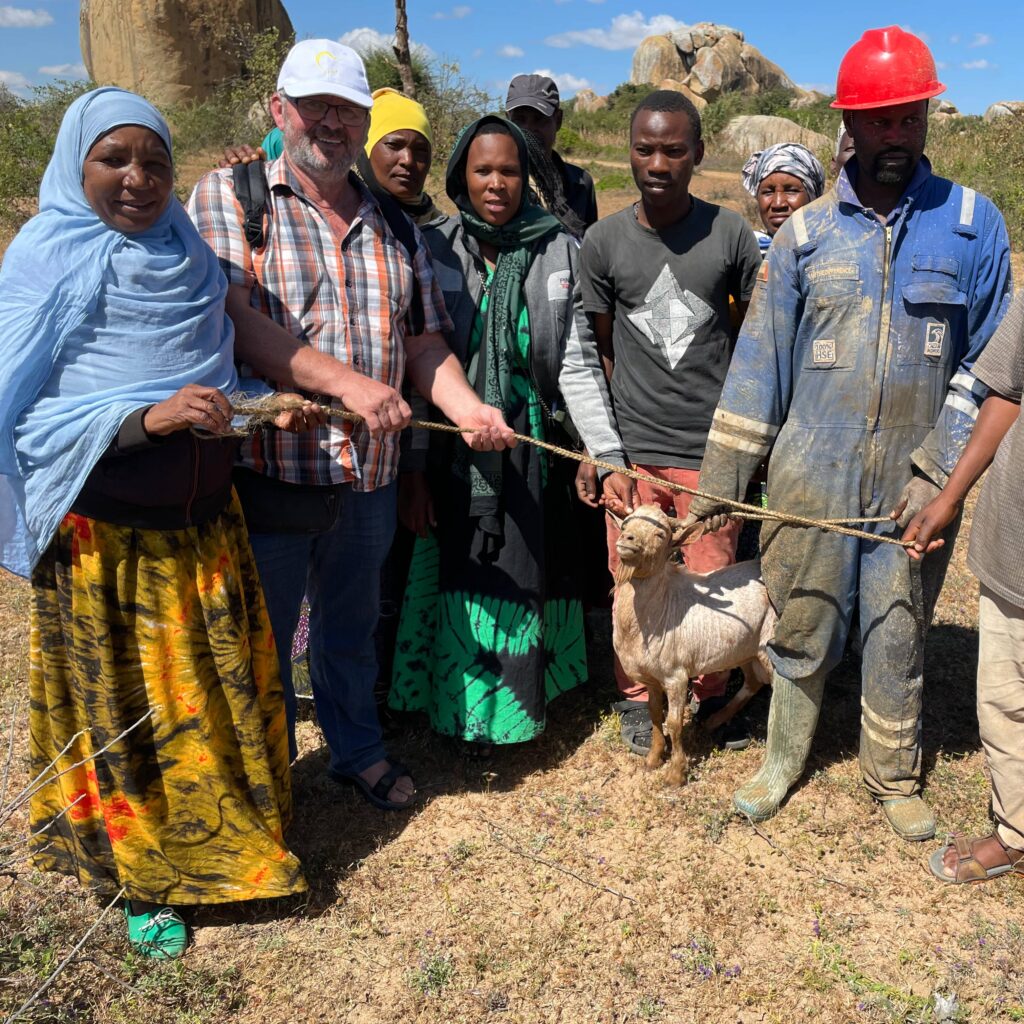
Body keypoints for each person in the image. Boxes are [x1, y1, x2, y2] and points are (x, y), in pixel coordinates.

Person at [0, 88, 318, 958]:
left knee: (210, 706)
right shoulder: (45, 261)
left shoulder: (187, 257)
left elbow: (206, 393)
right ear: (77, 165)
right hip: (110, 549)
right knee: (131, 718)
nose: (138, 179)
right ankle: (142, 877)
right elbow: (23, 418)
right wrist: (146, 422)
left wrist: (264, 411)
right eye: (116, 159)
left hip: (205, 532)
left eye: (155, 161)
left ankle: (228, 845)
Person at [686, 26, 1012, 841]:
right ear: (849, 125)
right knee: (800, 618)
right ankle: (781, 761)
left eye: (908, 117)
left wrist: (938, 477)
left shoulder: (975, 226)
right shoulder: (804, 235)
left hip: (914, 485)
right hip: (810, 474)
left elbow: (988, 370)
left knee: (898, 625)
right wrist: (722, 483)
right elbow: (758, 366)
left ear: (927, 116)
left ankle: (893, 776)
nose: (894, 134)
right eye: (878, 121)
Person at [188, 39, 514, 811]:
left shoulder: (394, 225)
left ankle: (355, 749)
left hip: (367, 477)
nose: (331, 124)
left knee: (351, 627)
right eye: (315, 107)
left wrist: (467, 409)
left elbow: (424, 341)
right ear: (280, 110)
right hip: (270, 472)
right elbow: (235, 318)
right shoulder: (232, 197)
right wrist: (350, 385)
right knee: (255, 637)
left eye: (347, 110)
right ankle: (253, 784)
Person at [558, 90, 763, 756]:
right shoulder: (604, 241)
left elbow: (748, 341)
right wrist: (602, 449)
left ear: (699, 154)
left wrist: (743, 449)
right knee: (633, 586)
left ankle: (704, 701)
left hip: (710, 454)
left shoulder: (730, 234)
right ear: (629, 152)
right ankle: (639, 700)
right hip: (634, 453)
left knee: (708, 587)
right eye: (644, 149)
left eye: (674, 149)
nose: (657, 162)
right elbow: (600, 349)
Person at [388, 117, 588, 753]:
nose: (496, 183)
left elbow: (579, 358)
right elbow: (420, 366)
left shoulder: (559, 246)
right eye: (482, 171)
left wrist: (592, 449)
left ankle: (516, 710)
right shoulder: (435, 246)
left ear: (527, 176)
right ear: (459, 177)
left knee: (526, 566)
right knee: (457, 563)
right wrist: (415, 472)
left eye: (509, 170)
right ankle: (456, 707)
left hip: (530, 443)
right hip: (450, 441)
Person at [901, 289, 1024, 882]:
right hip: (1014, 545)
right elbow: (1004, 393)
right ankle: (1016, 831)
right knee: (1005, 699)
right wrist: (949, 496)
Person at [506, 74, 598, 237]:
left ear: (558, 120)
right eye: (520, 120)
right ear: (508, 121)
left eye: (540, 119)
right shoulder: (497, 184)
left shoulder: (581, 183)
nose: (529, 129)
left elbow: (589, 249)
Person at [741, 142, 826, 253]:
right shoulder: (745, 254)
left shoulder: (833, 253)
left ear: (813, 197)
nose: (778, 203)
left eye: (791, 191)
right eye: (768, 192)